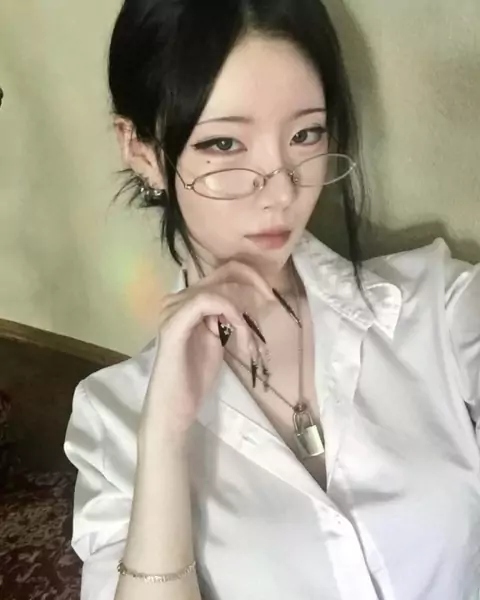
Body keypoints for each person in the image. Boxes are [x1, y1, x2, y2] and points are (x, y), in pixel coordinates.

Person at [63, 0, 480, 598]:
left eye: (305, 134)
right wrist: (165, 441)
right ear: (143, 151)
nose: (282, 190)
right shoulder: (115, 419)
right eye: (225, 143)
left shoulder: (438, 304)